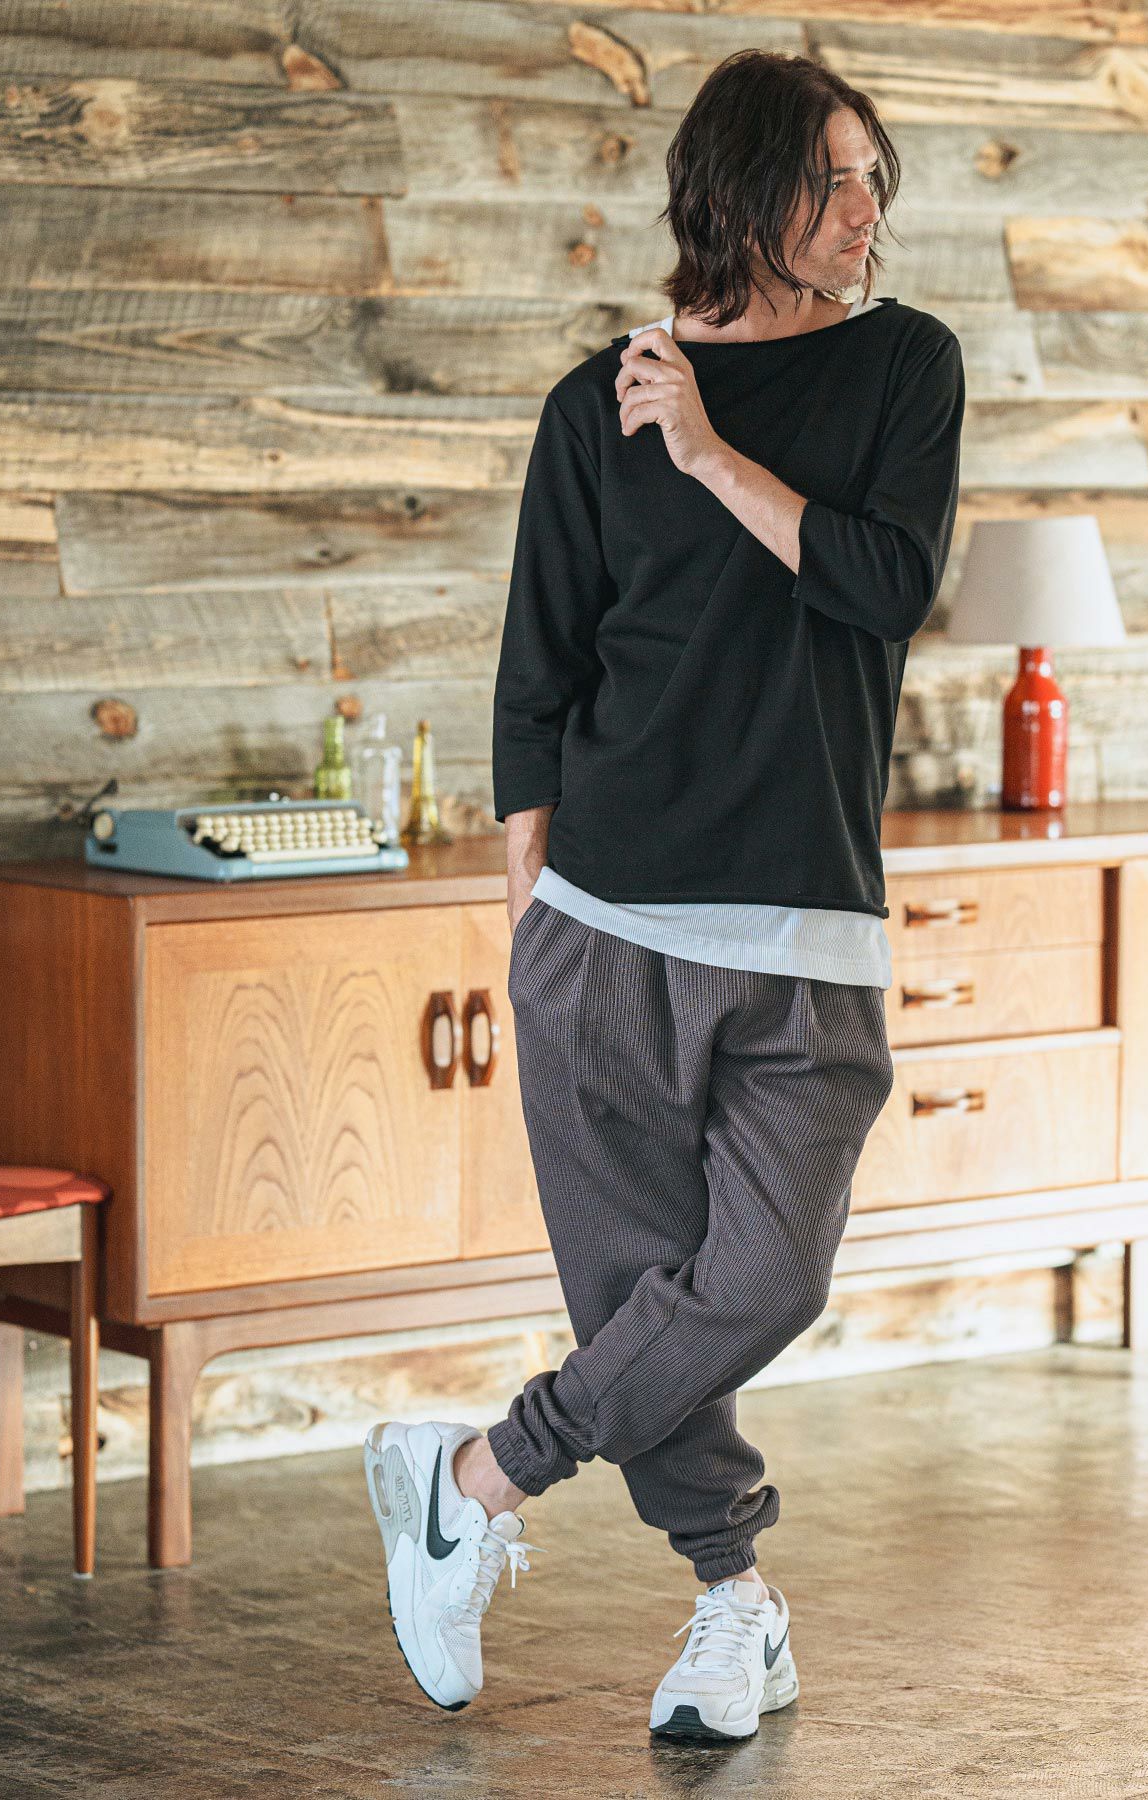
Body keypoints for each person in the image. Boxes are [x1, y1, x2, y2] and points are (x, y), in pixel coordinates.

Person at [364, 46, 965, 1742]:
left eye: (873, 180)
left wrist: (704, 451)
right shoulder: (592, 407)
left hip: (808, 928)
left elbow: (886, 584)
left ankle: (472, 1478)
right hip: (605, 931)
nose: (863, 211)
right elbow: (537, 678)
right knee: (643, 1311)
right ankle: (732, 1603)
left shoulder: (903, 366)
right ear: (743, 189)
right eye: (832, 180)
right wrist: (532, 914)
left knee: (766, 1281)